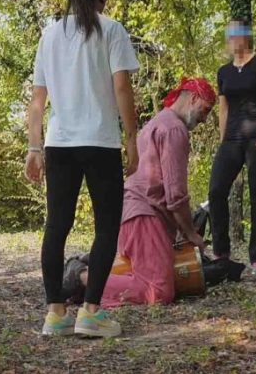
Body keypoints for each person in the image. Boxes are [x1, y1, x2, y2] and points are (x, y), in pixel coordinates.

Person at [25, 0, 140, 338]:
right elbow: (122, 87)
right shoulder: (112, 30)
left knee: (56, 225)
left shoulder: (50, 35)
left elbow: (37, 99)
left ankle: (55, 314)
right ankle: (90, 312)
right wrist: (132, 137)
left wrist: (34, 147)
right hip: (100, 141)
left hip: (59, 143)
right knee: (106, 227)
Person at [62, 79, 216, 308]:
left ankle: (88, 276)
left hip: (133, 211)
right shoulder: (175, 129)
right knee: (159, 290)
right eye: (205, 110)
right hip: (145, 215)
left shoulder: (157, 122)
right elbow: (175, 193)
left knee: (139, 274)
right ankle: (82, 276)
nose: (204, 119)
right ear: (193, 98)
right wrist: (191, 233)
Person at [208, 20, 256, 279]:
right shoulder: (223, 71)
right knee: (216, 191)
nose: (234, 38)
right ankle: (221, 252)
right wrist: (222, 138)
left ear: (248, 36)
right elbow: (223, 108)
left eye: (239, 33)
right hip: (232, 139)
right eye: (230, 34)